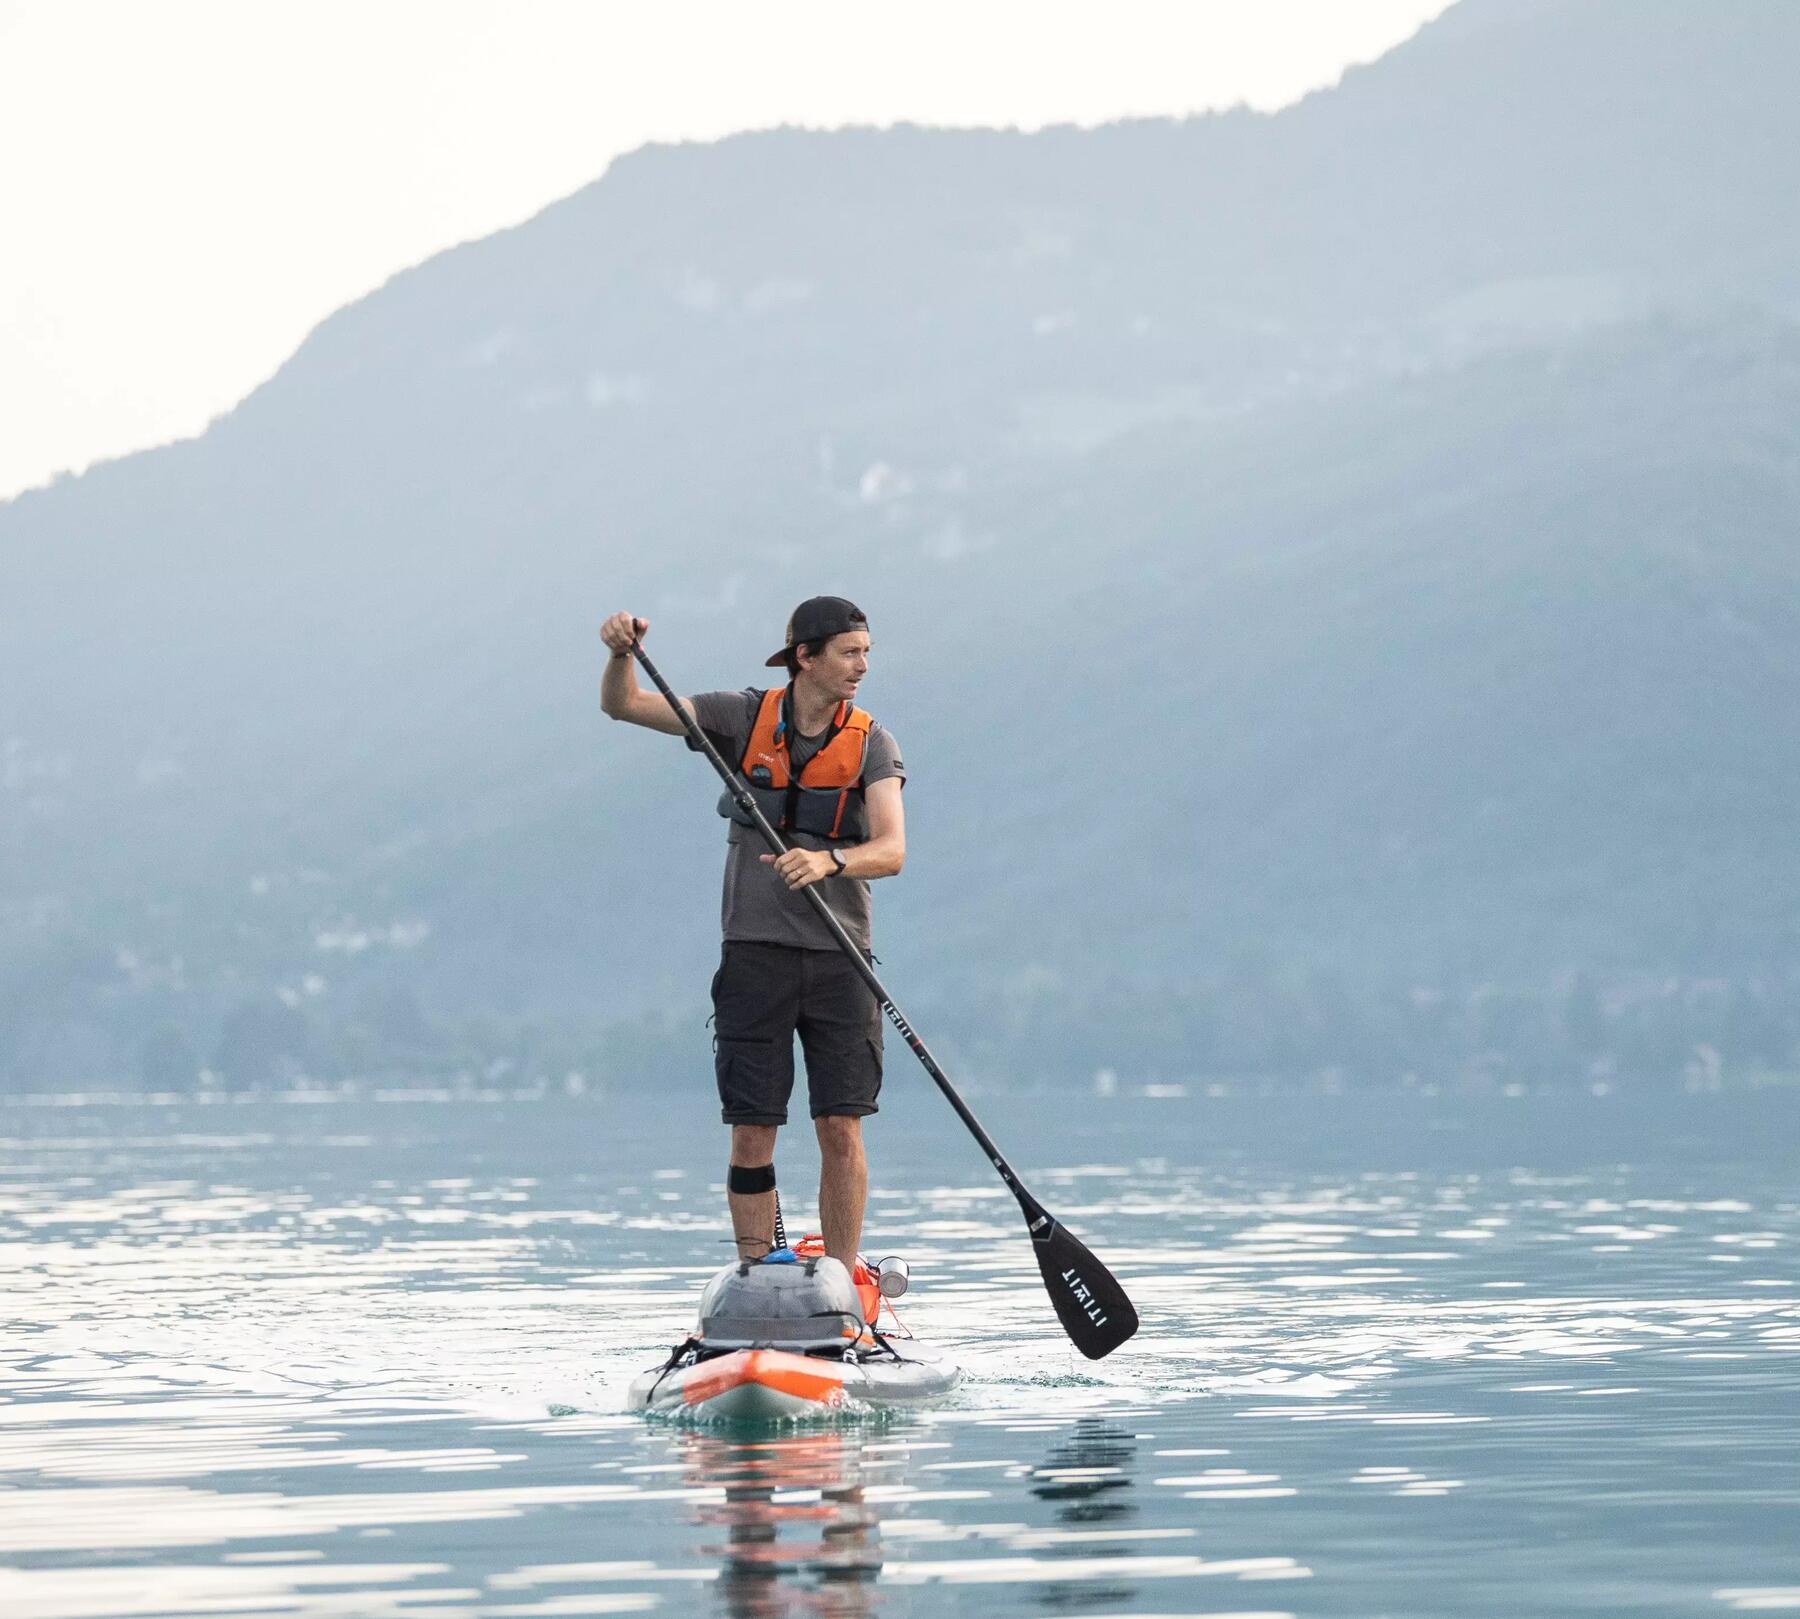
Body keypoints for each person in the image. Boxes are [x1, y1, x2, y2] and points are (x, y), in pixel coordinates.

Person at [598, 597, 906, 1268]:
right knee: (752, 1130)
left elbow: (891, 849)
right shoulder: (739, 717)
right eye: (851, 652)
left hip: (839, 960)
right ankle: (755, 1274)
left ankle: (841, 1283)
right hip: (754, 957)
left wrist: (828, 859)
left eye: (866, 653)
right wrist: (620, 652)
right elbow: (623, 706)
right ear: (806, 657)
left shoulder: (873, 742)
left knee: (840, 1126)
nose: (862, 667)